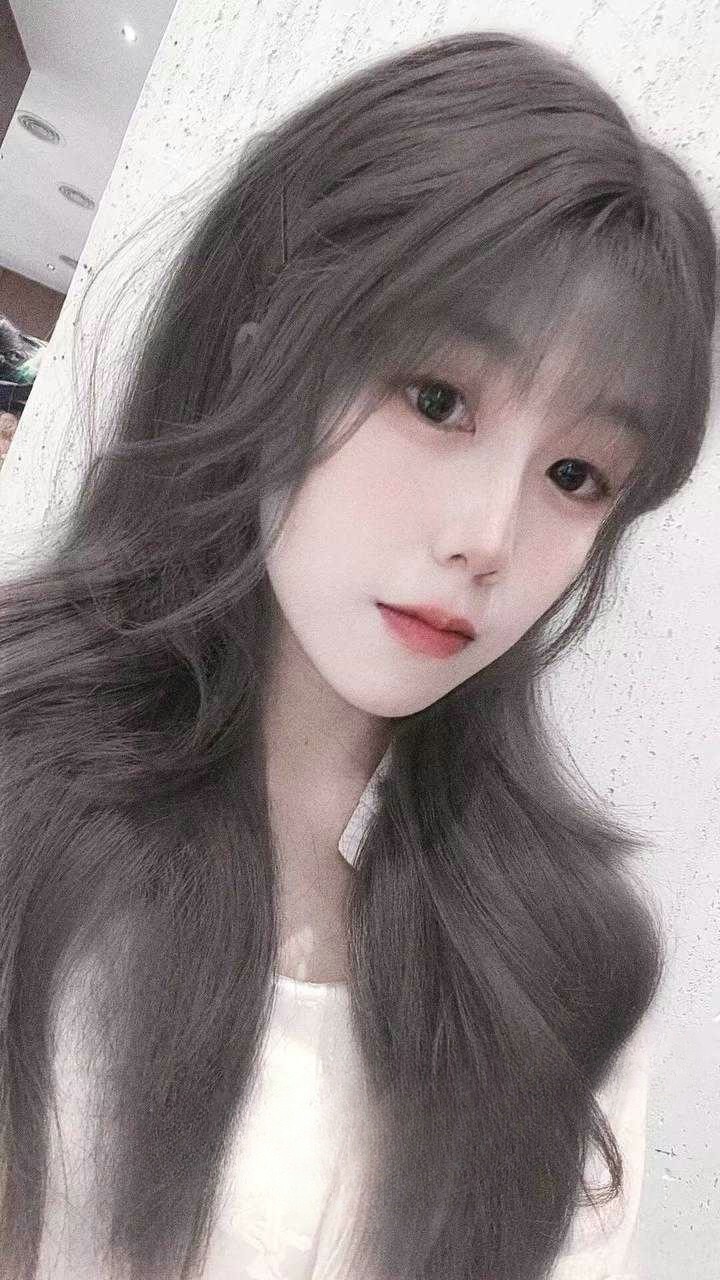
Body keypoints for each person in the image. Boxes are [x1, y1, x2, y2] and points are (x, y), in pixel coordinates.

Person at [0, 27, 716, 1280]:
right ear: (266, 357)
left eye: (576, 474)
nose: (489, 538)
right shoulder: (19, 783)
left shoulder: (566, 961)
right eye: (437, 399)